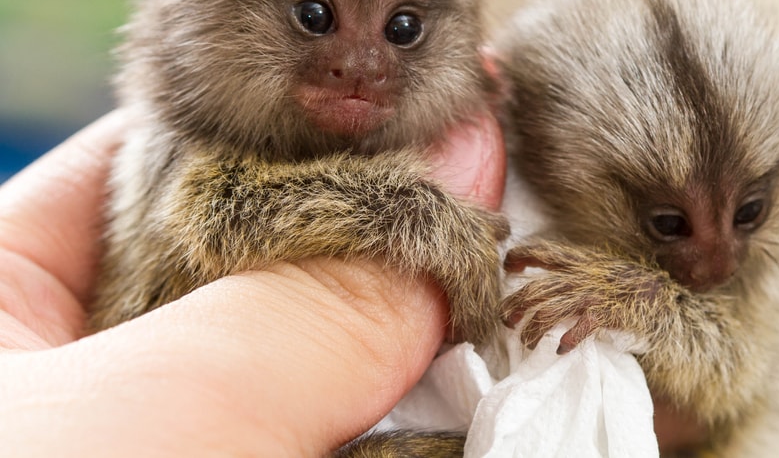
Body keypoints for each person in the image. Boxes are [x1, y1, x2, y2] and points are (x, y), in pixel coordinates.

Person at [0, 109, 506, 456]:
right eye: (312, 18)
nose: (360, 66)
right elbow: (216, 217)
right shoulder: (197, 122)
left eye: (403, 31)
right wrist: (407, 210)